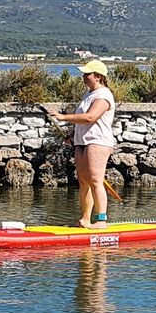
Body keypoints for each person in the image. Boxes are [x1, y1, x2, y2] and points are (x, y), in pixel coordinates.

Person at [48, 59, 117, 229]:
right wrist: (72, 134)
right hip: (82, 142)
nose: (84, 76)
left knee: (95, 180)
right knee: (84, 181)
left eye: (87, 74)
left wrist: (63, 117)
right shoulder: (87, 95)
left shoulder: (104, 95)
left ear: (98, 77)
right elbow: (83, 121)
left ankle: (101, 220)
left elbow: (90, 117)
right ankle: (86, 219)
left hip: (98, 142)